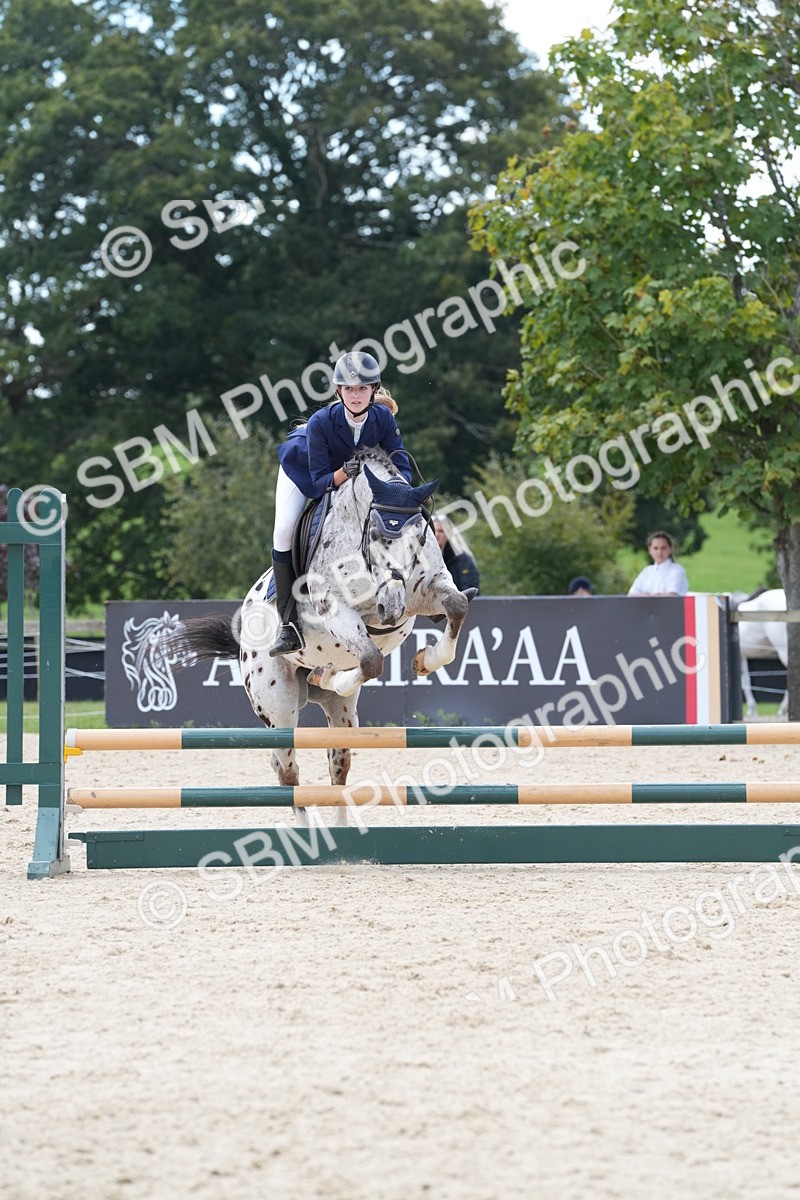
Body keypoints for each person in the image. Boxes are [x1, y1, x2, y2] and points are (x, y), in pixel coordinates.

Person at [269, 349, 413, 656]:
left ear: (373, 390)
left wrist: (401, 490)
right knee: (283, 530)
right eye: (349, 388)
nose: (356, 395)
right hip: (304, 468)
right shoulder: (322, 422)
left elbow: (400, 459)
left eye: (363, 388)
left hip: (345, 473)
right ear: (339, 391)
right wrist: (341, 474)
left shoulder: (382, 417)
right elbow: (320, 482)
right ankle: (288, 625)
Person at [628, 531, 689, 596]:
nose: (659, 552)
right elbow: (631, 594)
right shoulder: (647, 571)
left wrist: (646, 596)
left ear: (670, 549)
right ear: (650, 550)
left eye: (663, 548)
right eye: (655, 548)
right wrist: (653, 596)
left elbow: (671, 596)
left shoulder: (677, 571)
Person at [434, 517, 480, 592]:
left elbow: (469, 589)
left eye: (441, 531)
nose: (436, 534)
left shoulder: (462, 560)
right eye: (434, 531)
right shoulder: (426, 559)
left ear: (449, 534)